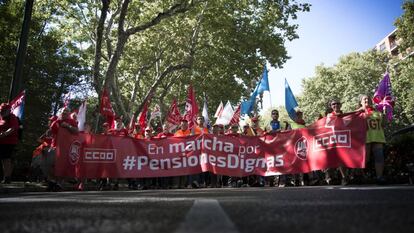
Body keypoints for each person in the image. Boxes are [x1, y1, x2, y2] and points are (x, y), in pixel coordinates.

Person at [45, 107, 79, 191]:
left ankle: (59, 183)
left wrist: (67, 126)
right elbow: (50, 132)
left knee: (62, 166)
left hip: (66, 147)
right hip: (55, 145)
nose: (65, 112)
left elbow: (76, 131)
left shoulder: (72, 122)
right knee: (50, 163)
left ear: (69, 113)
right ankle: (52, 181)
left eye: (67, 111)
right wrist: (49, 131)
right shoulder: (56, 122)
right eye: (64, 111)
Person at [357, 94, 387, 184]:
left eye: (369, 99)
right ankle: (359, 176)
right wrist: (360, 110)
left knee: (379, 157)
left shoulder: (377, 112)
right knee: (365, 159)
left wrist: (384, 113)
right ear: (361, 102)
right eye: (365, 99)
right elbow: (349, 121)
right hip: (365, 138)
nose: (367, 100)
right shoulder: (358, 113)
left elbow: (383, 125)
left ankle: (379, 177)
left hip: (378, 137)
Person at [324, 98, 349, 185]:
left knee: (344, 159)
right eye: (333, 104)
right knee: (334, 159)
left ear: (341, 105)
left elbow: (349, 125)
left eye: (337, 103)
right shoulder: (329, 115)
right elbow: (326, 126)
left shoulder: (346, 115)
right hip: (333, 141)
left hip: (344, 140)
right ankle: (332, 177)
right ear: (331, 106)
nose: (336, 105)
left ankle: (344, 177)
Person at [0, 103, 20, 184]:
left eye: (4, 110)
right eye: (1, 110)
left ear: (8, 110)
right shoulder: (1, 118)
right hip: (1, 141)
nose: (2, 112)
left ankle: (7, 177)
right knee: (3, 159)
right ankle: (6, 176)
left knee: (6, 158)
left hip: (9, 141)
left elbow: (13, 127)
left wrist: (5, 133)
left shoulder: (12, 117)